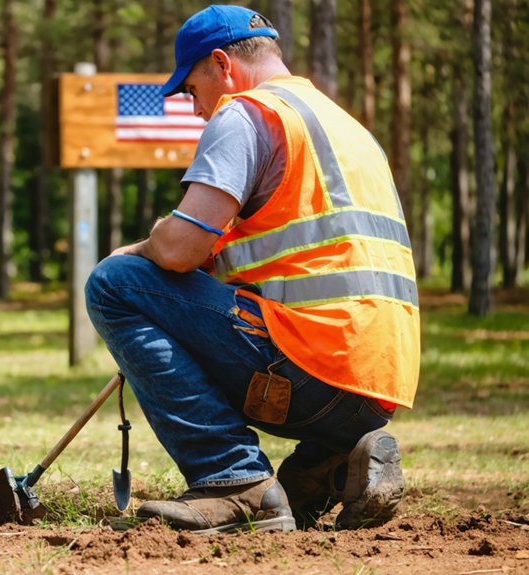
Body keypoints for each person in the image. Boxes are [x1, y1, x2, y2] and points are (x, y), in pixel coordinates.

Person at [85, 4, 420, 534]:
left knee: (114, 284)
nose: (196, 109)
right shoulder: (347, 127)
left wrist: (139, 249)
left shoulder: (247, 114)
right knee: (149, 286)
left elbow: (179, 250)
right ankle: (332, 460)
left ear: (222, 64)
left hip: (310, 368)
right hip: (378, 385)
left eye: (192, 90)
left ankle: (231, 479)